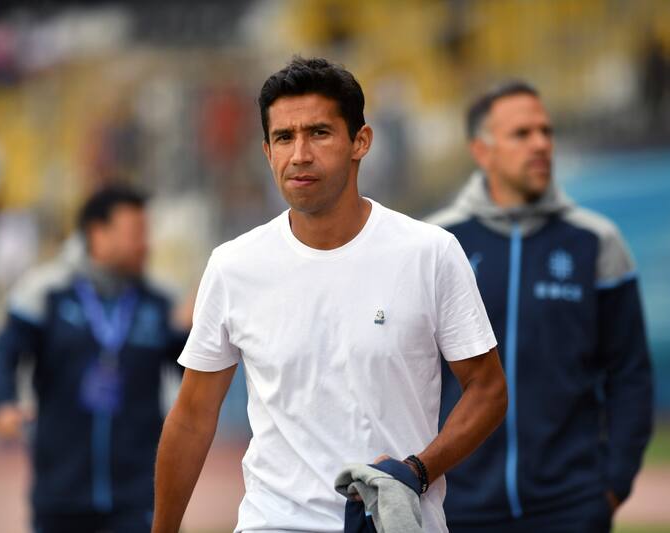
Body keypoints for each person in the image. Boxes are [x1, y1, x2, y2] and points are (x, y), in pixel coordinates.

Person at [152, 56, 508, 533]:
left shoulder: (431, 253)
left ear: (360, 142)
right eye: (284, 137)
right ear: (266, 151)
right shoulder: (233, 265)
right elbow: (193, 416)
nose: (299, 154)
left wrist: (417, 471)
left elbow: (488, 390)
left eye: (319, 133)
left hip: (394, 525)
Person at [427, 81, 654, 532]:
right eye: (522, 134)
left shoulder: (596, 241)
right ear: (482, 151)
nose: (541, 144)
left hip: (571, 507)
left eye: (546, 132)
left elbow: (630, 374)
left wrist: (612, 485)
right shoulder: (436, 244)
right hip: (457, 508)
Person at [0, 186, 189, 533]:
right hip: (60, 495)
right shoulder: (46, 292)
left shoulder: (160, 303)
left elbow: (193, 371)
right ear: (98, 233)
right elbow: (5, 353)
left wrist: (199, 331)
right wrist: (2, 402)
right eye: (136, 233)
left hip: (138, 496)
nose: (146, 245)